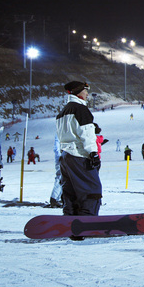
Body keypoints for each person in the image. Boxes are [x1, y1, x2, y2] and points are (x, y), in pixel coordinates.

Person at [55, 81, 102, 221]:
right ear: (78, 92)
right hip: (79, 155)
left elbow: (64, 133)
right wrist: (93, 153)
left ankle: (70, 218)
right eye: (85, 91)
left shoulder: (63, 111)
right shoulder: (80, 109)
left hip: (66, 156)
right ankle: (87, 220)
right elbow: (86, 133)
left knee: (70, 191)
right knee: (91, 189)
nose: (87, 94)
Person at [45, 135, 63, 208]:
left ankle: (57, 198)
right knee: (60, 178)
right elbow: (56, 148)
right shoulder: (59, 135)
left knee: (64, 179)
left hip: (65, 158)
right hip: (61, 159)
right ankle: (54, 198)